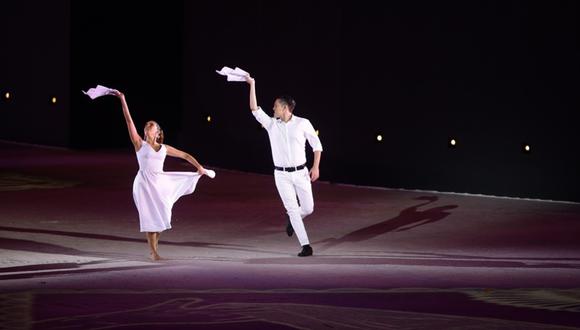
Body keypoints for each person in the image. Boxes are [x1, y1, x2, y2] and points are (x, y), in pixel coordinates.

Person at [113, 90, 212, 260]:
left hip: (160, 183)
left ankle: (154, 248)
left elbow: (185, 155)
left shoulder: (164, 148)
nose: (148, 125)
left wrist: (199, 167)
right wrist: (122, 99)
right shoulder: (139, 144)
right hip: (143, 184)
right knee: (150, 217)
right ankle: (154, 252)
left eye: (152, 125)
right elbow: (128, 120)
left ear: (157, 132)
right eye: (147, 125)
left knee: (163, 216)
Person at [245, 75, 323, 257]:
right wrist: (252, 84)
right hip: (281, 175)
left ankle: (293, 220)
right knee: (293, 209)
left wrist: (316, 167)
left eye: (276, 106)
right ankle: (306, 245)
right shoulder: (272, 125)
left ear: (285, 108)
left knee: (308, 208)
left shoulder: (303, 123)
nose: (273, 108)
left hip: (301, 172)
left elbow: (317, 145)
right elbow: (254, 109)